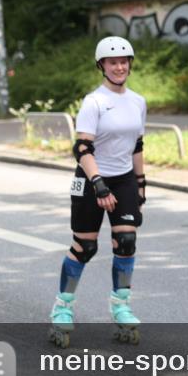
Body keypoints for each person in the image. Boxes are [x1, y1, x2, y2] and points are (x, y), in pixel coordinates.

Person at [48, 36, 147, 348]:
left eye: (123, 61)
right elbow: (82, 148)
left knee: (126, 242)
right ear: (102, 66)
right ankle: (62, 308)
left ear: (129, 64)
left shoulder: (137, 101)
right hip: (91, 179)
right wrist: (99, 184)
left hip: (124, 178)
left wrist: (141, 184)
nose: (119, 67)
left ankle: (121, 306)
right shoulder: (93, 102)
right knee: (84, 246)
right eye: (112, 62)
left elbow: (138, 145)